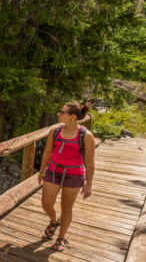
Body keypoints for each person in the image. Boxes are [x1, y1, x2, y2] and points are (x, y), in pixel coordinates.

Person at [38, 102, 95, 251]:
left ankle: (61, 238)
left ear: (72, 116)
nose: (58, 114)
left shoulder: (86, 135)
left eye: (61, 112)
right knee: (46, 204)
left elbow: (89, 161)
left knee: (66, 207)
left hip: (74, 174)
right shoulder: (54, 131)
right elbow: (47, 152)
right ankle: (54, 220)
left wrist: (89, 184)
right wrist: (41, 171)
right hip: (53, 171)